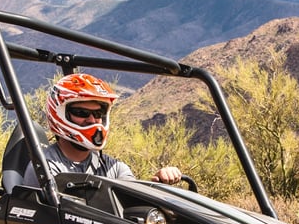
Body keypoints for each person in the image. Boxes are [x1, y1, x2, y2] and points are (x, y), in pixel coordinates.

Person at [20, 73, 182, 188]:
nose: (91, 120)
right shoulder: (45, 168)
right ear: (61, 114)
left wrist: (157, 182)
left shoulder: (114, 167)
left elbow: (132, 197)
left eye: (98, 114)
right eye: (82, 113)